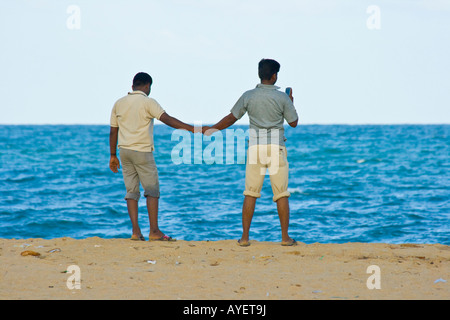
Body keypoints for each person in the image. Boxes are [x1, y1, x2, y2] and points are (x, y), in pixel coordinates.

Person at [204, 59, 299, 246]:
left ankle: (245, 238)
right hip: (275, 148)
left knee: (250, 193)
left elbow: (232, 117)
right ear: (274, 76)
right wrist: (291, 102)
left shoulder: (248, 96)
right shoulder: (282, 98)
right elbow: (293, 122)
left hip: (255, 149)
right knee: (281, 193)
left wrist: (213, 129)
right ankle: (285, 238)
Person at [109, 72, 196, 241]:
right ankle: (154, 231)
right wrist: (192, 129)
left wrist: (112, 155)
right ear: (147, 86)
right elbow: (168, 120)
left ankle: (135, 232)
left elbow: (113, 131)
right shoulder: (148, 102)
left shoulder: (118, 103)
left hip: (124, 152)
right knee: (152, 191)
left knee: (131, 192)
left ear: (133, 85)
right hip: (142, 152)